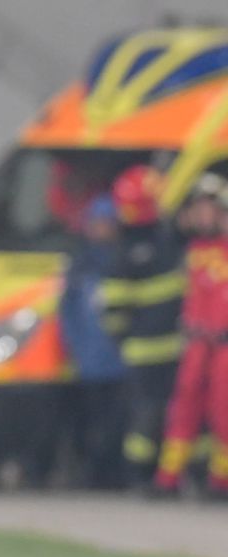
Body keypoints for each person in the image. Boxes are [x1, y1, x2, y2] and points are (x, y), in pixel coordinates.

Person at [100, 165, 185, 489]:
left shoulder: (154, 241)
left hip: (166, 346)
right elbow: (115, 310)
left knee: (163, 411)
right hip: (151, 350)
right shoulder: (140, 248)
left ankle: (158, 472)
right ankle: (139, 473)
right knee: (149, 413)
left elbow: (114, 315)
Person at [154, 178, 228, 498]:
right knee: (183, 406)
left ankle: (221, 480)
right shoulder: (192, 248)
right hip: (197, 342)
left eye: (209, 209)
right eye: (197, 209)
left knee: (224, 408)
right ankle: (168, 478)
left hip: (225, 343)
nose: (202, 216)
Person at [58, 195, 128, 489]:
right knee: (90, 419)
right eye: (97, 223)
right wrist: (74, 347)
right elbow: (69, 311)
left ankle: (113, 472)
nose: (101, 229)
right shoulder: (81, 264)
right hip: (89, 357)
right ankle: (91, 473)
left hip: (120, 358)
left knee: (118, 419)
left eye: (107, 223)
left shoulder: (123, 259)